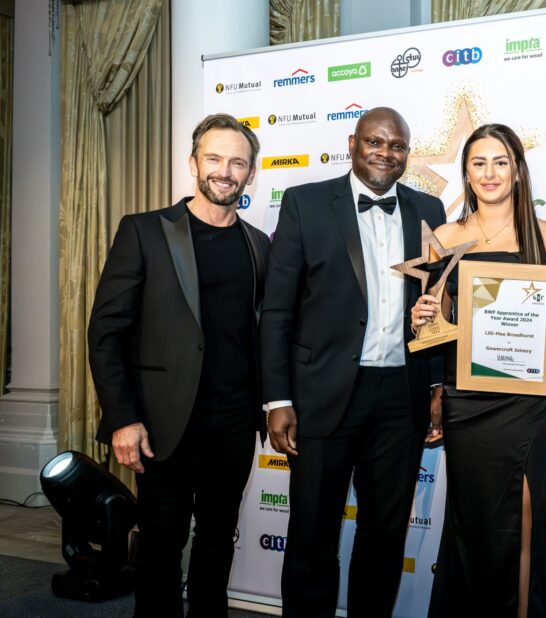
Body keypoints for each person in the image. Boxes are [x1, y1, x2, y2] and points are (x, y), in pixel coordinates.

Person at [260, 107, 446, 618]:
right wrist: (277, 398)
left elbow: (438, 306)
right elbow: (277, 310)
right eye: (375, 142)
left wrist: (437, 385)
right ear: (352, 143)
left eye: (397, 146)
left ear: (407, 154)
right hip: (322, 393)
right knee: (312, 533)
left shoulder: (429, 208)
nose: (386, 153)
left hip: (400, 398)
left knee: (384, 535)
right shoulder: (305, 203)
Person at [88, 113, 270, 618]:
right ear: (193, 163)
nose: (225, 172)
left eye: (237, 163)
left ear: (251, 173)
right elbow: (106, 333)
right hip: (163, 422)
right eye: (214, 158)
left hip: (235, 421)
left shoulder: (259, 244)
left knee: (218, 538)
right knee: (161, 542)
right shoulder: (145, 231)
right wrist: (123, 418)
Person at [411, 123, 546, 618]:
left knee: (523, 516)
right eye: (478, 163)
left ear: (518, 171)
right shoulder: (444, 237)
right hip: (467, 401)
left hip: (525, 400)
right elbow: (434, 327)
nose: (490, 173)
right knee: (474, 520)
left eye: (501, 162)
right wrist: (422, 317)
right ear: (466, 172)